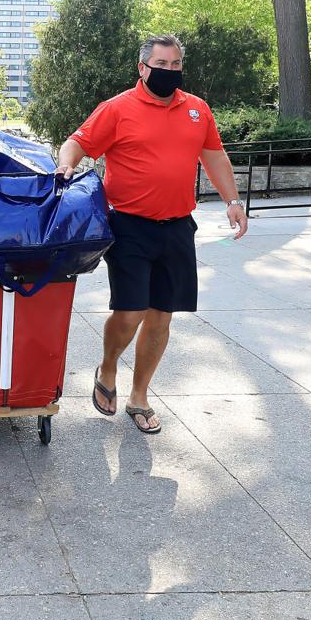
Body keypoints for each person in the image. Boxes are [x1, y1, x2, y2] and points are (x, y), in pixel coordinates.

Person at [55, 34, 247, 434]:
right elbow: (78, 142)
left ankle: (139, 397)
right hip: (129, 225)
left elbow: (214, 156)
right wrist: (66, 165)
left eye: (176, 65)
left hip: (177, 227)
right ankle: (108, 367)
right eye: (161, 65)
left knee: (161, 316)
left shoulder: (197, 109)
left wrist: (232, 200)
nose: (169, 71)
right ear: (142, 68)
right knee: (130, 312)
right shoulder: (117, 108)